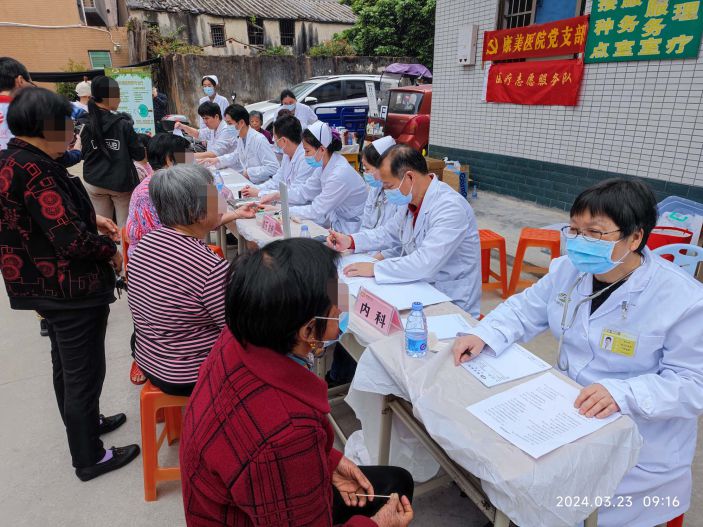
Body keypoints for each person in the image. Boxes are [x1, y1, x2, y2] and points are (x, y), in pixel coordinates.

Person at [451, 179, 703, 527]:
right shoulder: (569, 270)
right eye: (574, 229)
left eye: (595, 233)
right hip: (567, 412)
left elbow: (693, 384)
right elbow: (524, 309)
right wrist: (485, 333)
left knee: (574, 504)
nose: (580, 241)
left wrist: (623, 393)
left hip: (639, 444)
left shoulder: (683, 299)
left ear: (634, 238)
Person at [180, 238, 414, 527]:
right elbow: (278, 447)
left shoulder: (240, 335)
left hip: (232, 497)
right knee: (395, 489)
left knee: (395, 481)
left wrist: (327, 461)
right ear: (308, 330)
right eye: (336, 299)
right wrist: (378, 525)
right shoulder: (289, 432)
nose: (343, 305)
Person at [0, 87, 140, 481]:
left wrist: (90, 218)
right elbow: (71, 241)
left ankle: (86, 425)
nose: (73, 132)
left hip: (41, 285)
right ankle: (90, 456)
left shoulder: (14, 161)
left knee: (66, 366)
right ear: (46, 127)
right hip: (69, 288)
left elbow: (47, 220)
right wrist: (110, 250)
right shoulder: (37, 171)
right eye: (66, 124)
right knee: (83, 372)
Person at [127, 165, 253, 396]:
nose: (221, 202)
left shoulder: (147, 243)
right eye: (214, 196)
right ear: (195, 212)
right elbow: (238, 329)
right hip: (187, 374)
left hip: (150, 360)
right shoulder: (208, 268)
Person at [328, 144, 481, 316]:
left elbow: (425, 263)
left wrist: (375, 269)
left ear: (409, 177)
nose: (385, 192)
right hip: (419, 287)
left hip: (451, 299)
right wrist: (351, 240)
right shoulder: (410, 201)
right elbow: (387, 233)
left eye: (389, 186)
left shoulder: (450, 208)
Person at [81, 76, 145, 226]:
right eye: (118, 95)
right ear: (108, 97)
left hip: (94, 182)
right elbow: (139, 155)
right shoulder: (123, 125)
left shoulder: (85, 122)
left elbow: (84, 154)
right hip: (120, 185)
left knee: (104, 228)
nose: (120, 99)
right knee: (124, 229)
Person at [289, 121, 367, 232]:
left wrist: (285, 211)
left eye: (307, 151)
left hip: (351, 229)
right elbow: (305, 191)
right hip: (336, 223)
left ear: (322, 149)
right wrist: (277, 195)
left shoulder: (339, 174)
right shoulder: (323, 166)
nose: (305, 156)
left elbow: (316, 210)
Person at [241, 114, 321, 204]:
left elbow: (296, 193)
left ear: (283, 141)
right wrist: (256, 189)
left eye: (275, 138)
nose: (273, 141)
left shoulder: (306, 158)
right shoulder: (287, 153)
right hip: (287, 202)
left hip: (301, 206)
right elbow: (277, 180)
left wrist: (261, 193)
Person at [202, 104, 279, 184]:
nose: (227, 127)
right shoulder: (241, 138)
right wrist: (217, 160)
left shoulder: (259, 139)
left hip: (263, 185)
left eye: (229, 123)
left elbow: (273, 167)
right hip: (249, 182)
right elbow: (236, 155)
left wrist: (249, 172)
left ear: (241, 122)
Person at [359, 136, 400, 233]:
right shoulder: (375, 188)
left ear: (382, 167)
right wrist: (357, 240)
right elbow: (366, 222)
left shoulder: (400, 195)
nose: (365, 173)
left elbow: (392, 234)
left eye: (367, 169)